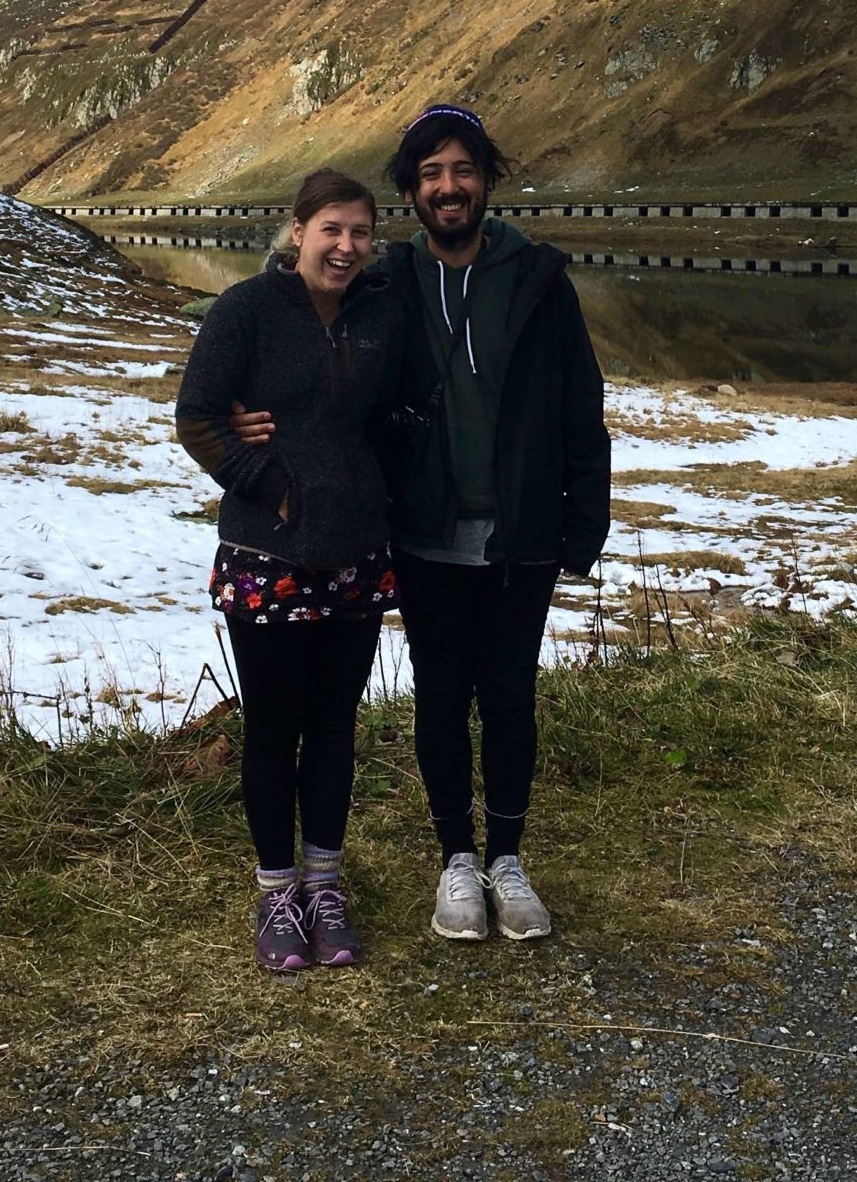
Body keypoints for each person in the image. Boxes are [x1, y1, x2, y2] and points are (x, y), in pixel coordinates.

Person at [234, 105, 610, 943]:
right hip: (423, 532)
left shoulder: (540, 279)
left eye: (464, 170)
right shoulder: (386, 280)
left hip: (522, 533)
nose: (449, 187)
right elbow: (297, 312)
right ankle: (455, 861)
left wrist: (585, 520)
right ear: (412, 191)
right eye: (432, 174)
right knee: (440, 697)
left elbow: (581, 406)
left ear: (486, 181)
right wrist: (237, 406)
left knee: (511, 696)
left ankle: (507, 860)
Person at [175, 168, 402, 974]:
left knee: (336, 726)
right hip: (267, 555)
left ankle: (325, 885)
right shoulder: (245, 310)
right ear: (297, 231)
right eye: (331, 229)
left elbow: (396, 408)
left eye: (361, 232)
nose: (346, 247)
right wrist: (267, 483)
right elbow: (196, 417)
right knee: (276, 727)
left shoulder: (382, 313)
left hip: (358, 556)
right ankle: (277, 892)